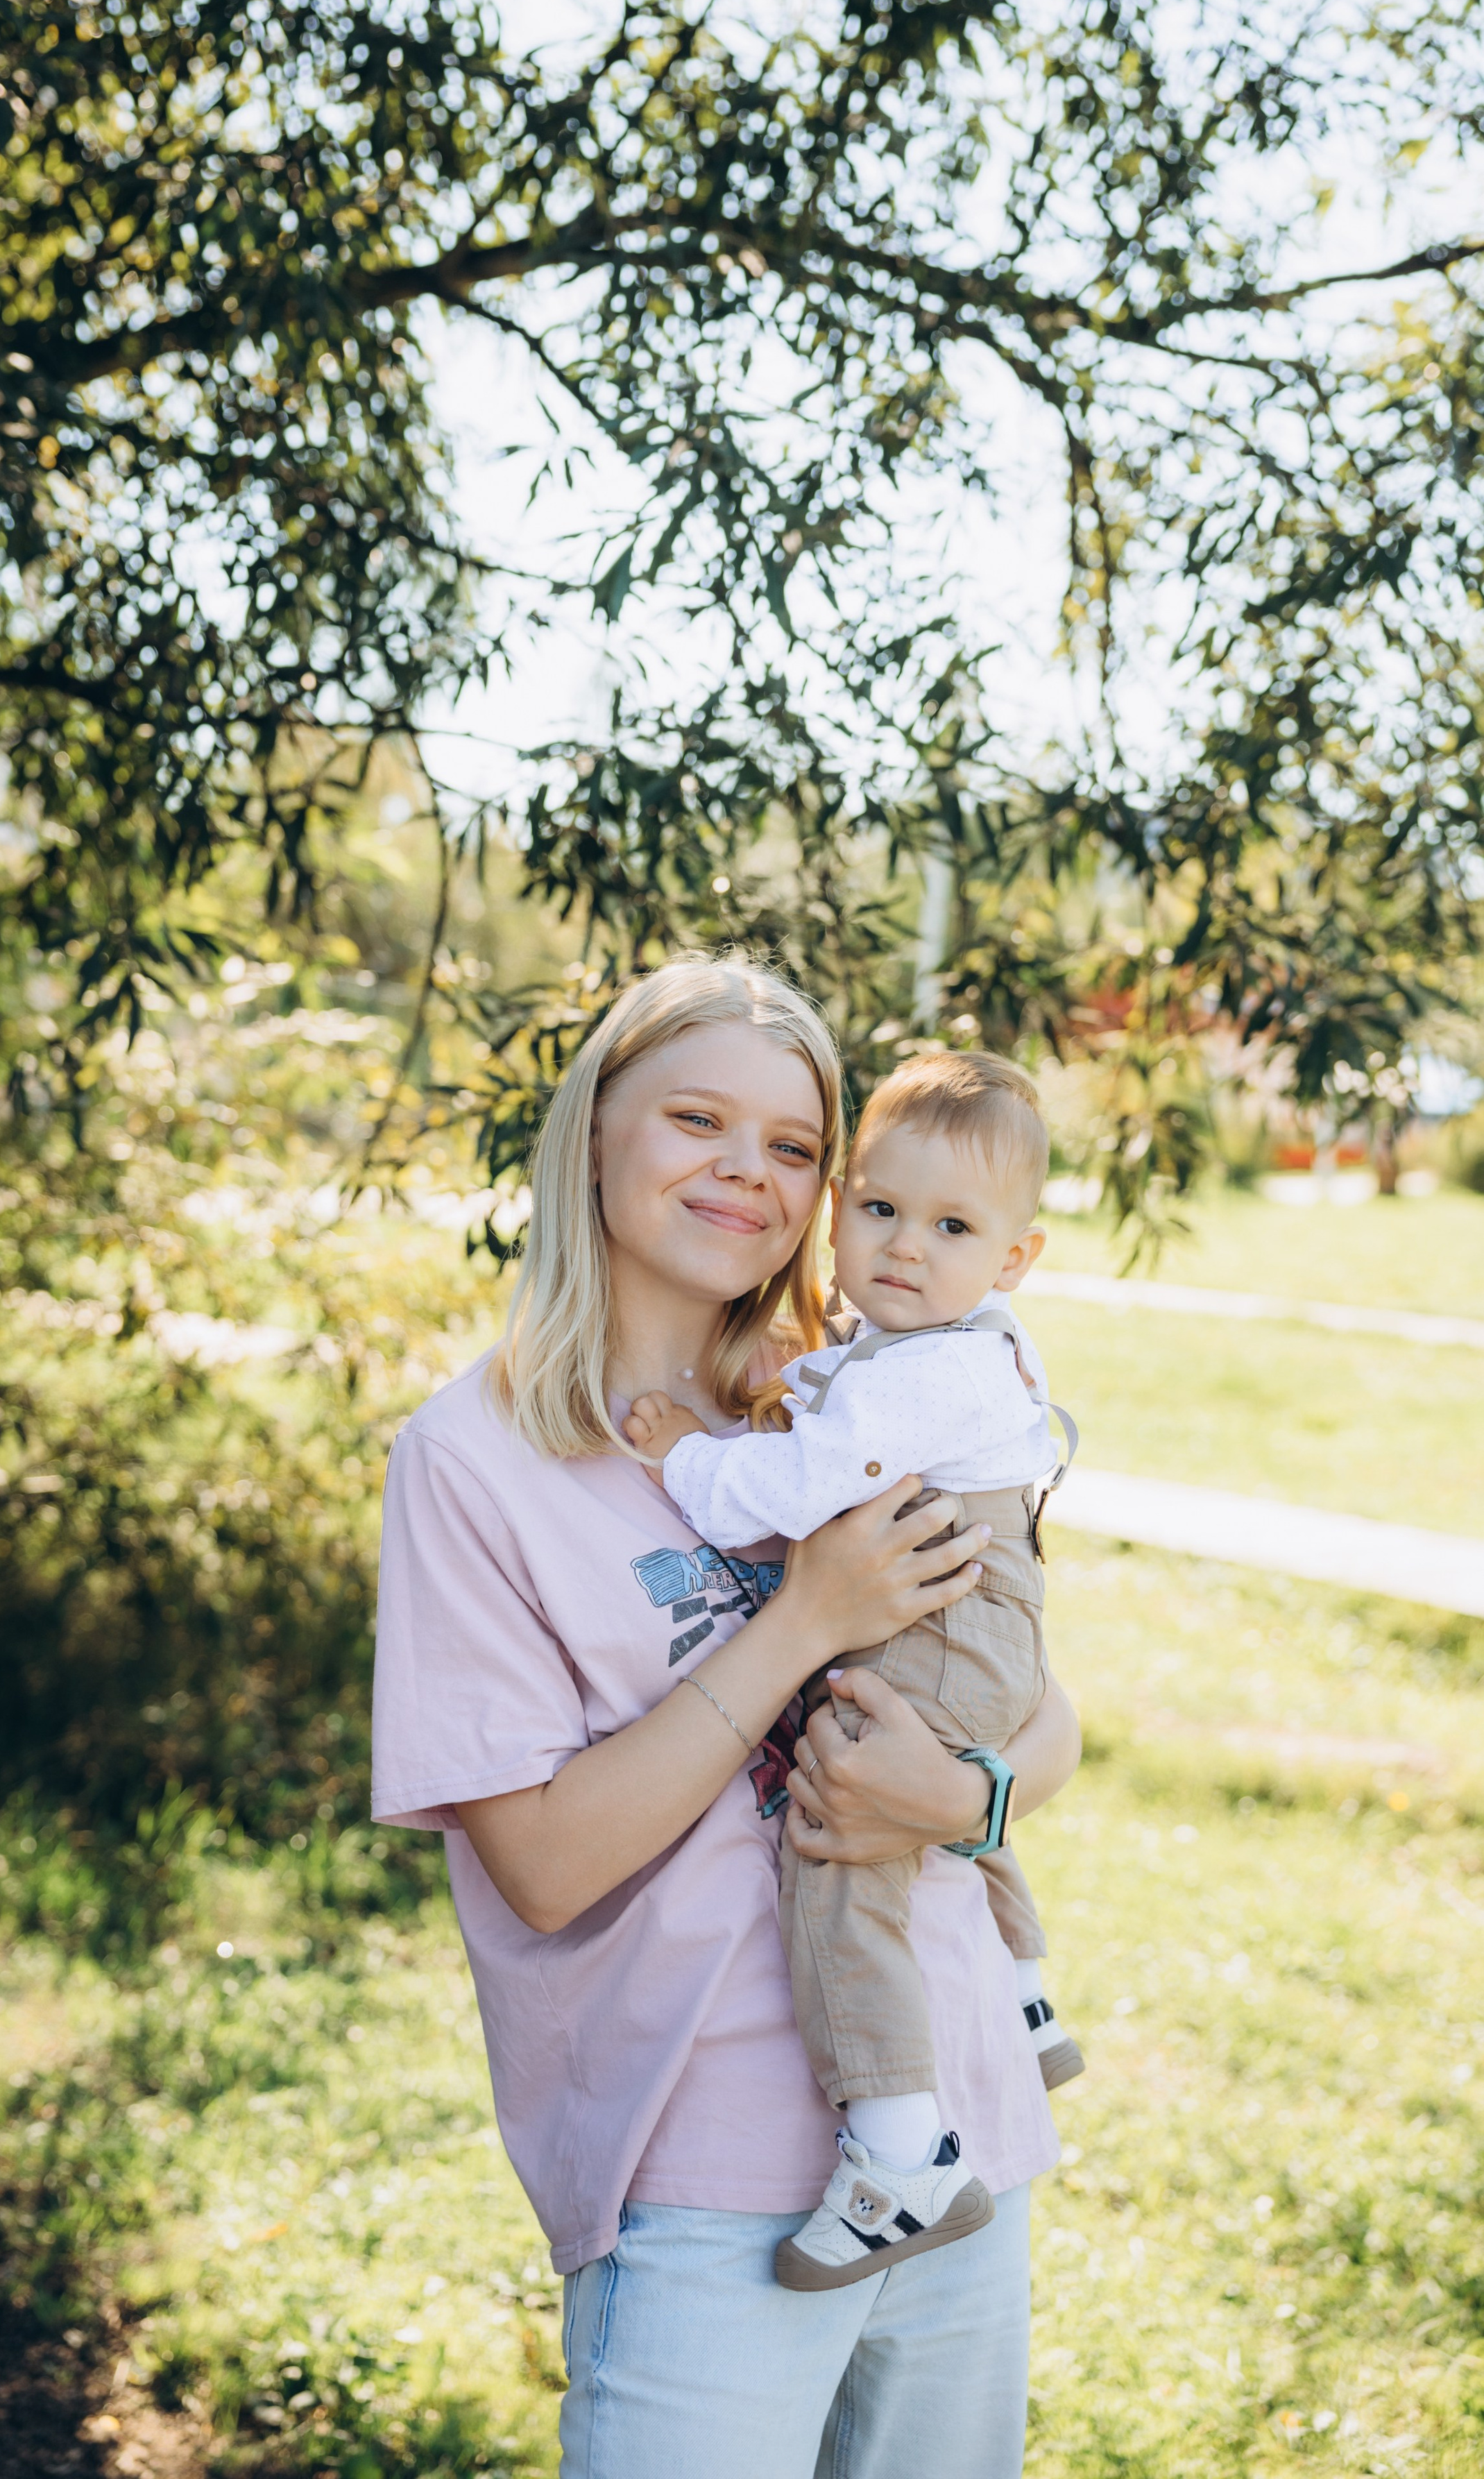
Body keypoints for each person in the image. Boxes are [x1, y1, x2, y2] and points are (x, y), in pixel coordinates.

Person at [371, 955, 1082, 2479]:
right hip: (707, 2178)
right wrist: (803, 1624)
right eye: (697, 1118)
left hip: (954, 2122)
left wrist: (968, 1807)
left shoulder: (847, 1391)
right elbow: (546, 1865)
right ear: (595, 1135)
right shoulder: (471, 1461)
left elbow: (1042, 1716)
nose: (745, 1173)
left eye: (793, 1145)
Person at [623, 1049, 1085, 2295]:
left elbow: (795, 1488)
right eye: (880, 1211)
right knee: (928, 1785)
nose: (904, 1247)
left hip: (943, 1627)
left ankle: (901, 2151)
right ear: (840, 1213)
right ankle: (1027, 1994)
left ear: (1014, 1259)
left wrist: (684, 1461)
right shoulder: (946, 1344)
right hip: (982, 1622)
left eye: (951, 1226)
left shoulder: (924, 1368)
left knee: (839, 1842)